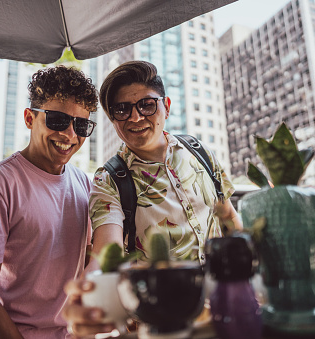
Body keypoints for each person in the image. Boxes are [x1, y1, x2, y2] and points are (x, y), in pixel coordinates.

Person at [62, 60, 242, 337]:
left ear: (166, 106)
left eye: (147, 104)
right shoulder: (108, 179)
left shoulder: (200, 151)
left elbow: (229, 218)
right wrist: (90, 289)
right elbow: (104, 252)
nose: (135, 117)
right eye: (121, 110)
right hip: (162, 322)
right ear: (113, 120)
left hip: (228, 308)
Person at [0, 65, 98, 339]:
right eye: (57, 120)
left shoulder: (84, 184)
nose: (70, 134)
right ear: (29, 118)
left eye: (81, 125)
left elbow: (87, 263)